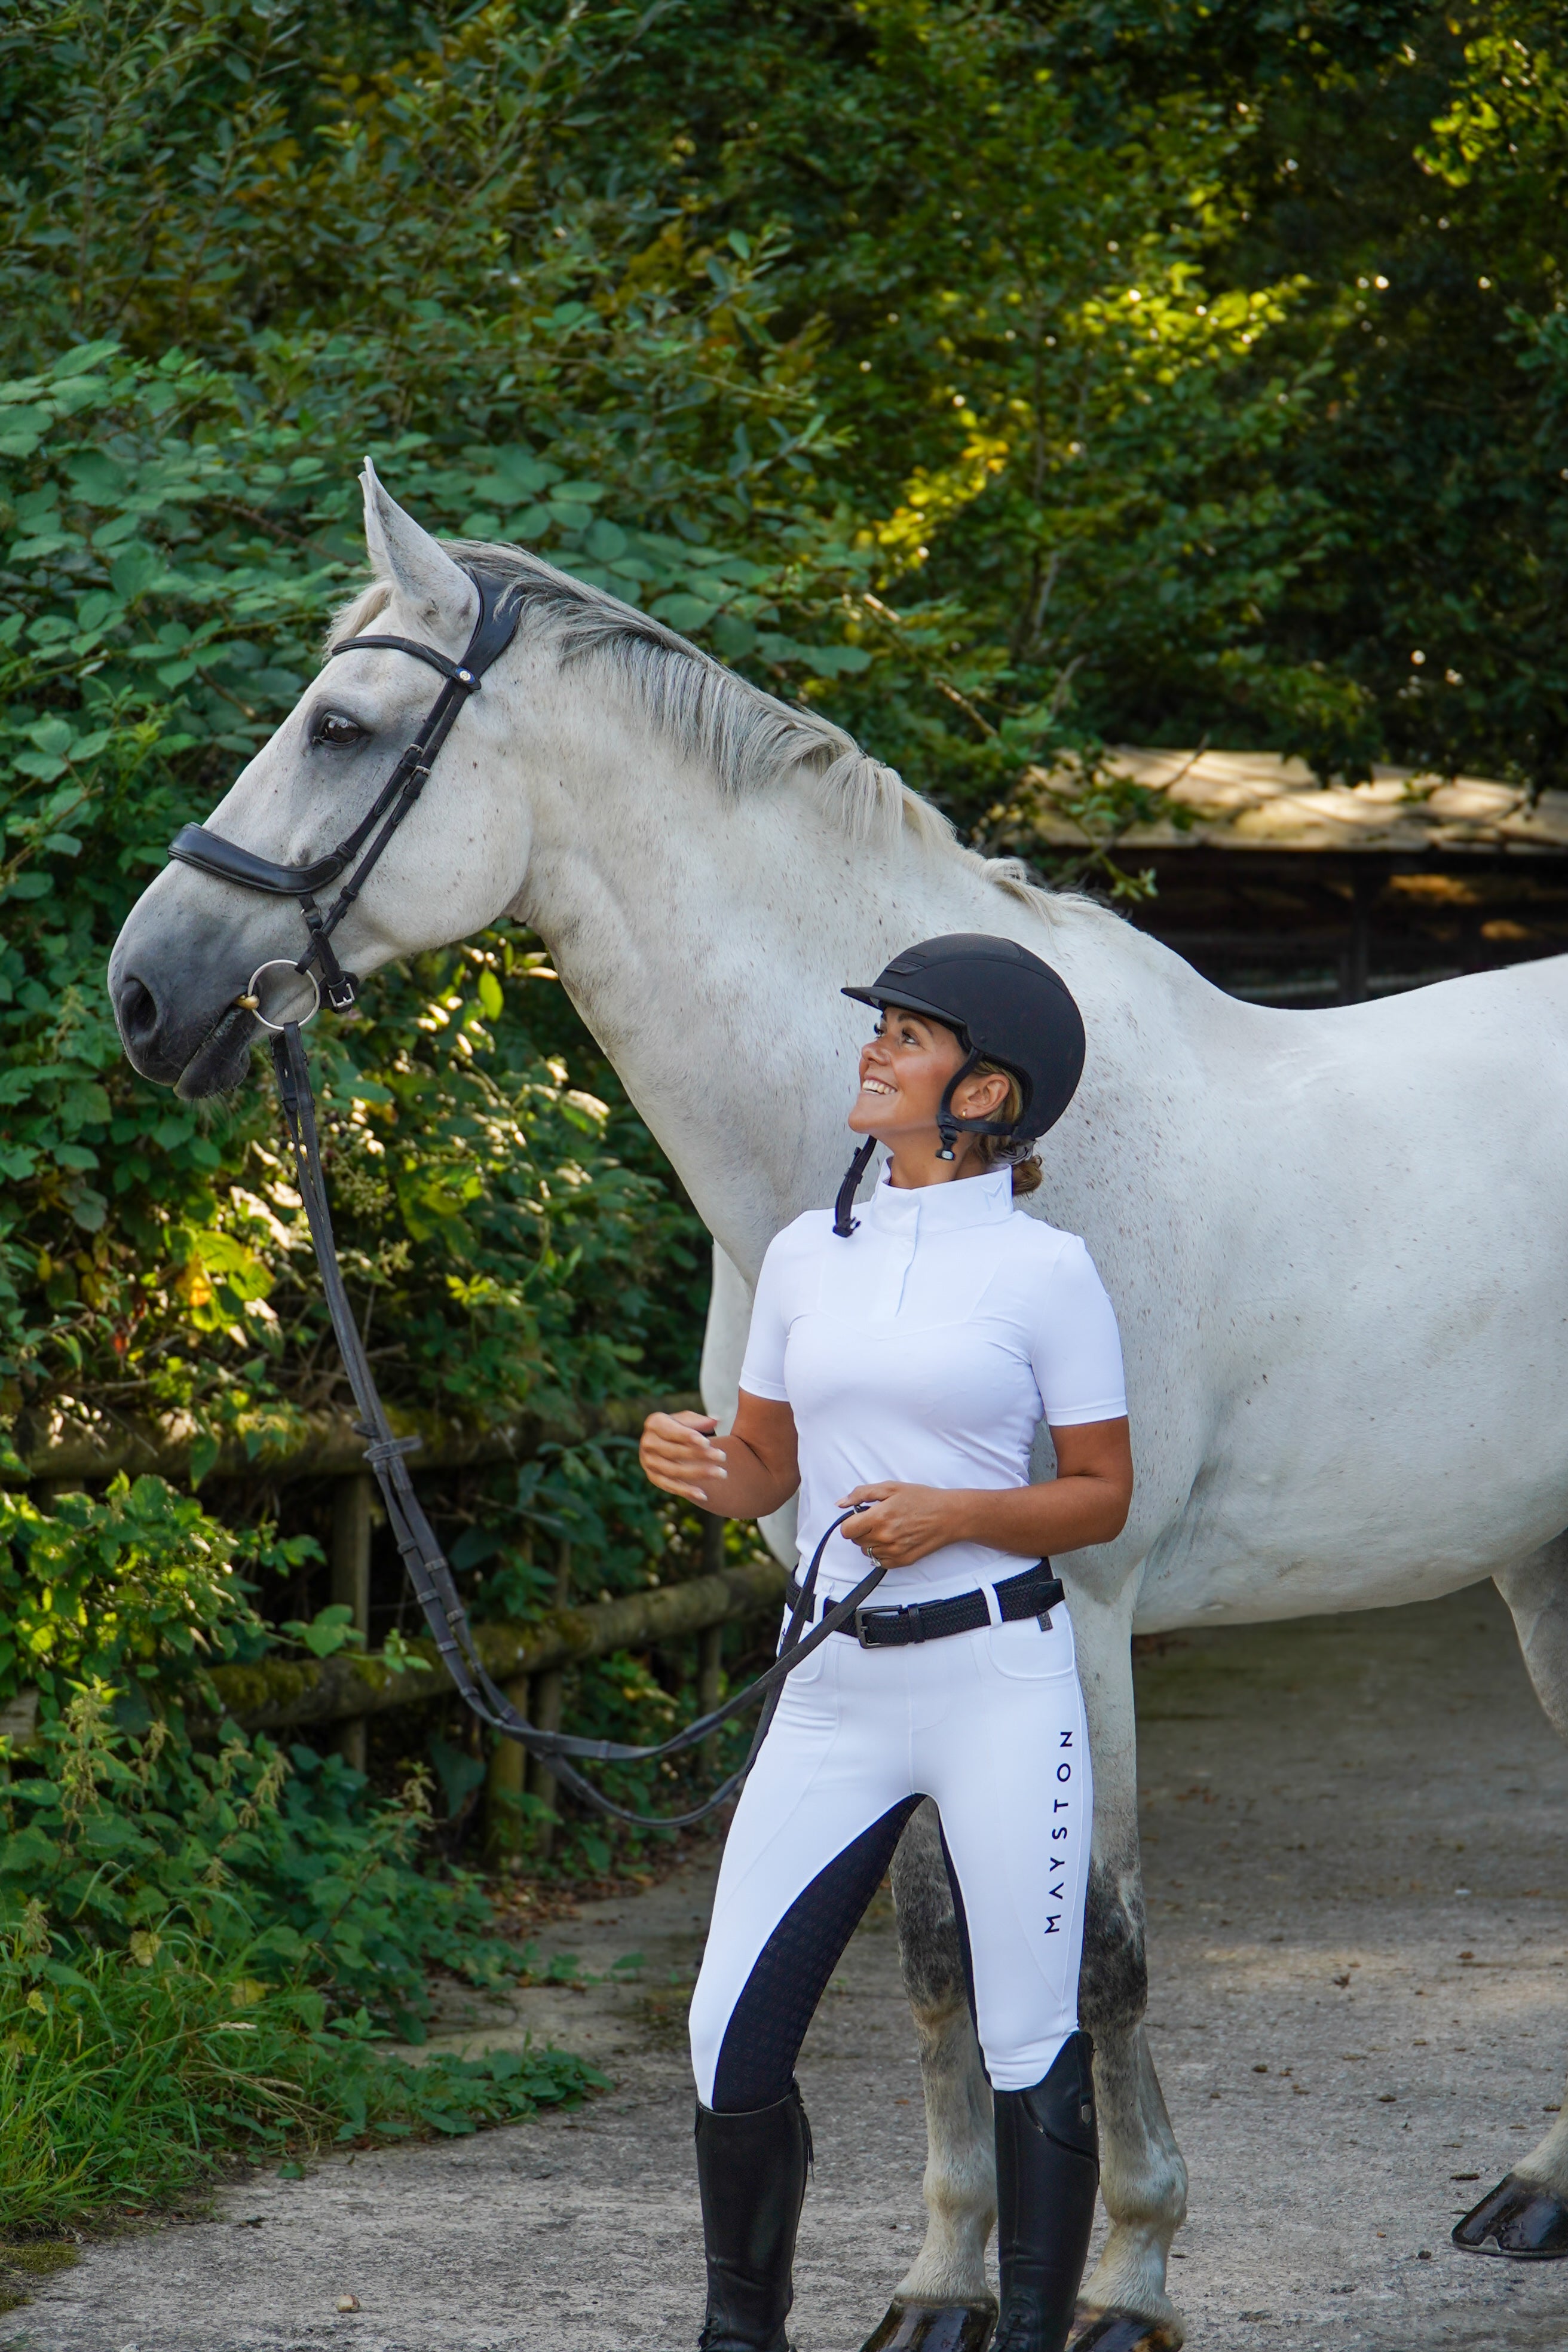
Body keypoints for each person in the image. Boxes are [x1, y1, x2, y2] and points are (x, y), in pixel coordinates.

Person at [639, 934, 1134, 2352]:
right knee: (728, 2042)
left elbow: (1101, 1496)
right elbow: (763, 1472)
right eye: (884, 1031)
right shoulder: (802, 1254)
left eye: (906, 1038)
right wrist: (698, 1465)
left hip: (994, 1681)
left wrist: (959, 1511)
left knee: (1028, 2040)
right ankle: (743, 2338)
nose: (873, 1049)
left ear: (984, 1095)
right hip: (833, 1691)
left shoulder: (1049, 1273)